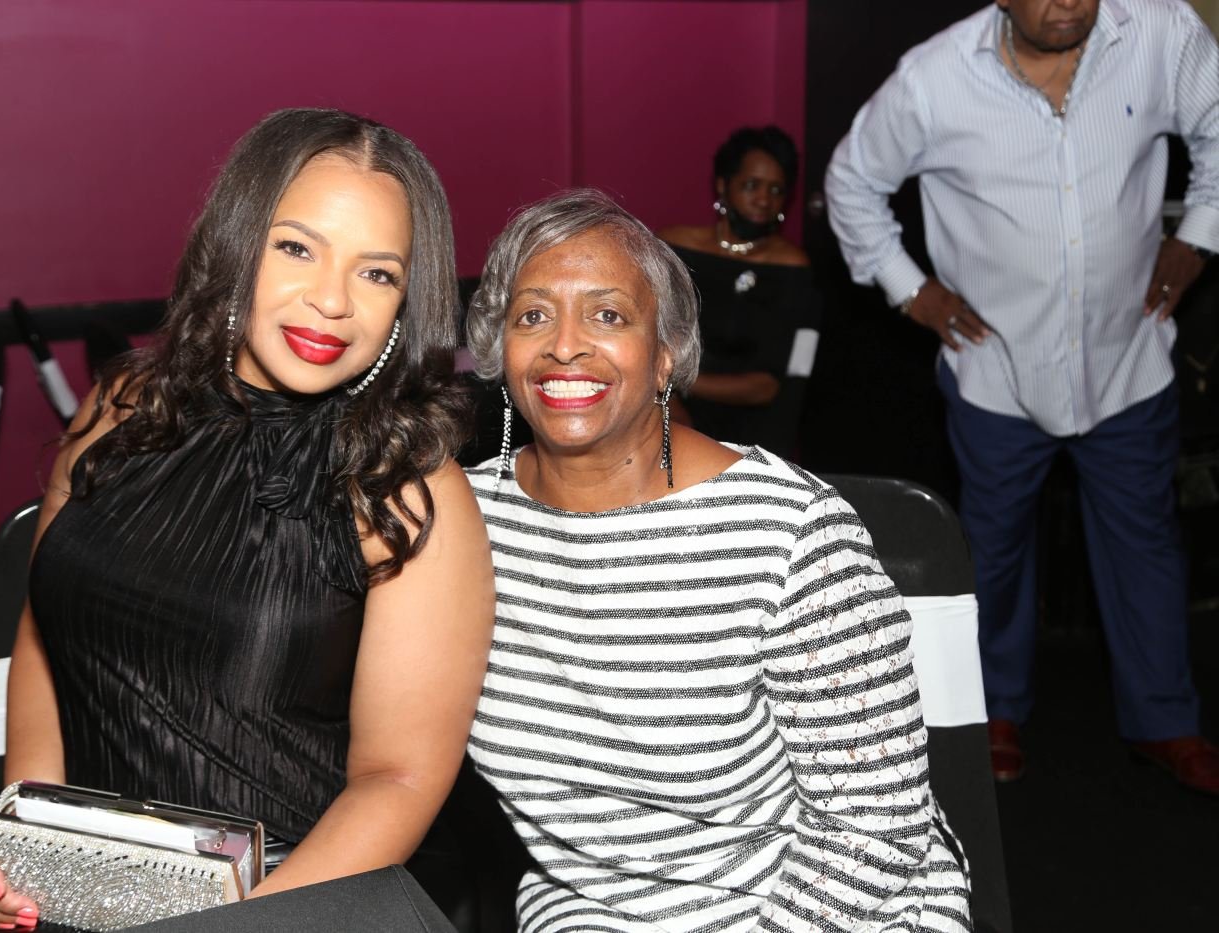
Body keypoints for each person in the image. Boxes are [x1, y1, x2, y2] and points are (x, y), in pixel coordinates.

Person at [0, 109, 495, 930]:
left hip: (296, 899)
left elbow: (397, 778)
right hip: (87, 890)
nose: (331, 301)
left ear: (404, 302)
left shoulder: (407, 490)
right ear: (238, 244)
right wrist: (32, 847)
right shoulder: (122, 408)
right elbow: (42, 635)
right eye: (297, 248)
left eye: (376, 272)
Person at [462, 189, 970, 932]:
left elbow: (875, 827)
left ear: (666, 354)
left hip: (834, 905)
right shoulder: (461, 524)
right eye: (532, 315)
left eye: (609, 316)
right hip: (598, 908)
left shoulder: (788, 532)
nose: (564, 345)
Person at [824, 0, 1219, 794]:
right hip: (997, 369)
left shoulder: (1162, 32)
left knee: (1146, 544)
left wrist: (1199, 231)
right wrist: (911, 290)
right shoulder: (934, 78)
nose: (1067, 0)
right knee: (993, 548)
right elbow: (852, 181)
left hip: (1127, 357)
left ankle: (1164, 720)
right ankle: (993, 711)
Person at [659, 126, 821, 459]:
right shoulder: (675, 247)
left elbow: (773, 384)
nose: (764, 200)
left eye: (776, 190)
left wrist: (673, 378)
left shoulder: (792, 268)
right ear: (723, 185)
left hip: (752, 432)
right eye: (752, 185)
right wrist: (668, 401)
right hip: (668, 412)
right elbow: (647, 337)